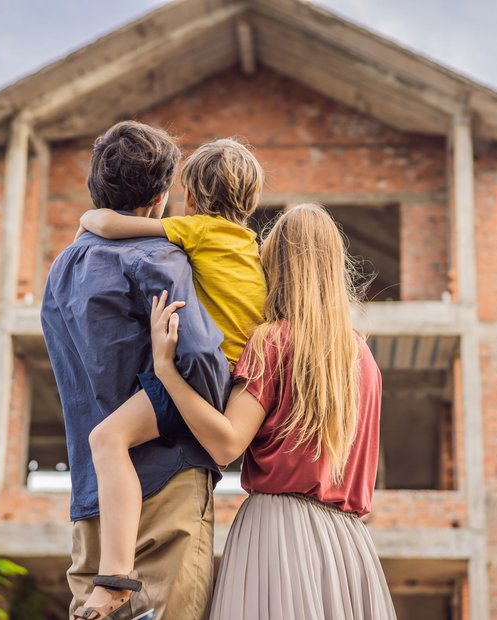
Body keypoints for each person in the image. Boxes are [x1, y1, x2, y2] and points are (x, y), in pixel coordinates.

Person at [149, 203, 396, 619]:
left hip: (280, 533)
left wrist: (166, 371)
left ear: (275, 266)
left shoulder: (273, 341)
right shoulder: (362, 356)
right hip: (350, 545)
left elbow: (226, 442)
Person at [41, 121, 230, 620]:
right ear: (162, 194)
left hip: (92, 496)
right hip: (166, 484)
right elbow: (199, 358)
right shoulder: (159, 257)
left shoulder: (61, 270)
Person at [74, 138, 267, 619]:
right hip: (240, 385)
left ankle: (116, 577)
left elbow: (111, 224)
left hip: (205, 376)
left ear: (190, 193)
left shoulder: (197, 231)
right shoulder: (251, 247)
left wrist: (87, 219)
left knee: (107, 438)